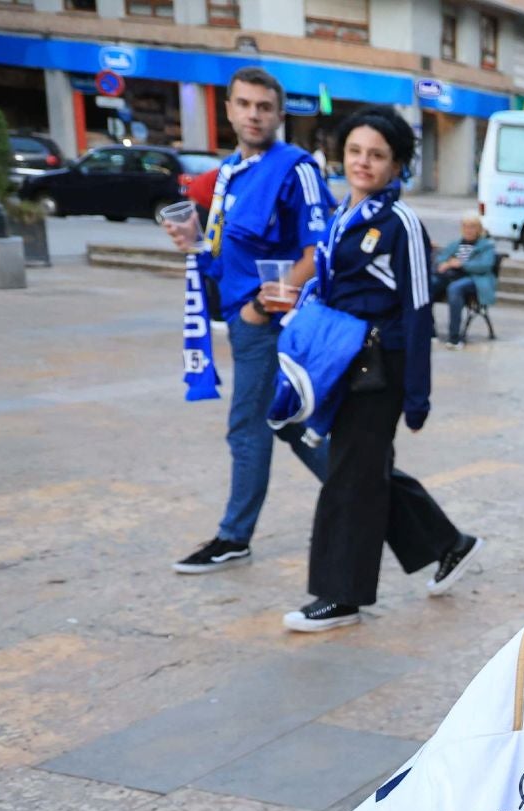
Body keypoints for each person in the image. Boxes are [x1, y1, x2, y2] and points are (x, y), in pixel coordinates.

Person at [282, 109, 481, 633]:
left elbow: (419, 311)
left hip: (380, 367)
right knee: (363, 469)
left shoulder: (401, 224)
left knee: (351, 475)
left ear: (396, 166)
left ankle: (340, 595)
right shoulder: (341, 214)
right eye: (355, 151)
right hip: (338, 361)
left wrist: (419, 394)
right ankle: (447, 543)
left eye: (376, 155)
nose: (363, 162)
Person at [166, 66, 332, 576]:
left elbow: (318, 250)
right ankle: (380, 500)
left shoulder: (296, 167)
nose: (253, 114)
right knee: (291, 425)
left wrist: (261, 307)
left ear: (280, 113)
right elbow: (223, 250)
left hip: (272, 324)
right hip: (243, 322)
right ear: (229, 110)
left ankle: (234, 536)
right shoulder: (231, 173)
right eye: (244, 104)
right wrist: (193, 242)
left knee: (252, 425)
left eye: (264, 106)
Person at [433, 213, 497, 350]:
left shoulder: (486, 246)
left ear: (479, 229)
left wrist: (462, 264)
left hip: (476, 279)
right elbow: (441, 258)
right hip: (451, 276)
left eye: (472, 227)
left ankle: (454, 337)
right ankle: (429, 331)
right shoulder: (456, 244)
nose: (468, 230)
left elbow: (485, 265)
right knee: (429, 285)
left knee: (455, 288)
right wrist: (445, 263)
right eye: (466, 226)